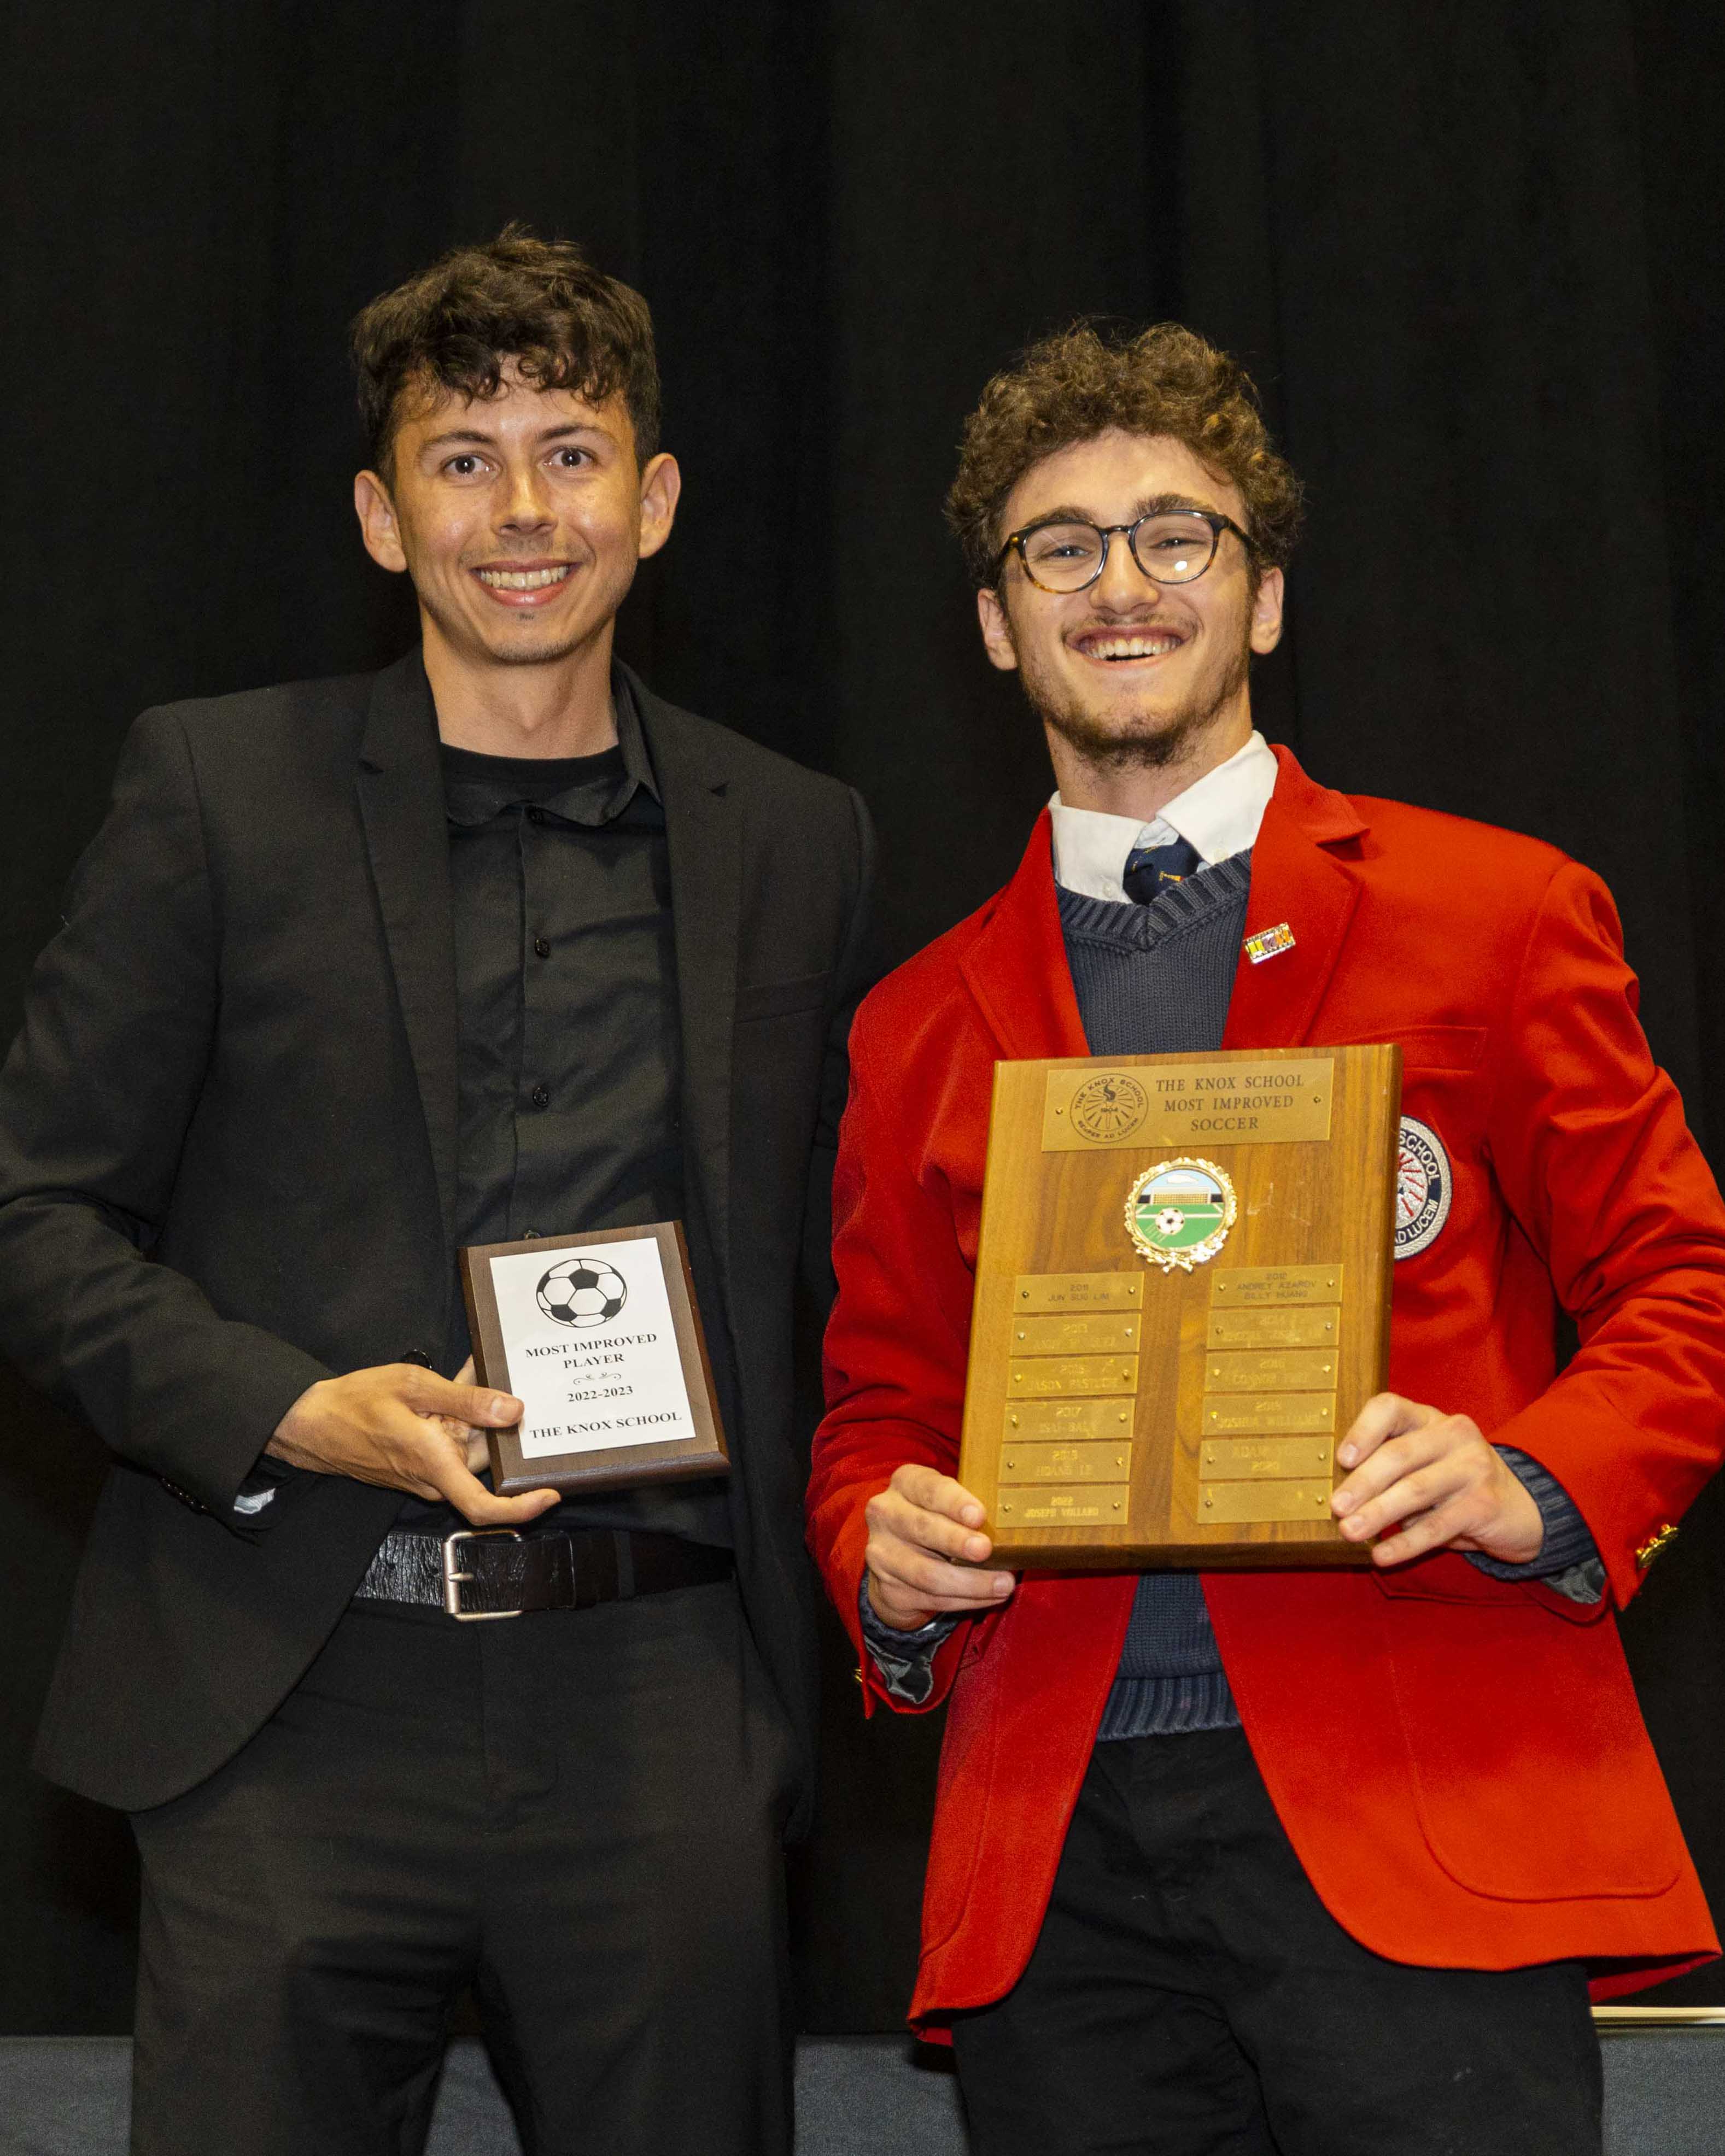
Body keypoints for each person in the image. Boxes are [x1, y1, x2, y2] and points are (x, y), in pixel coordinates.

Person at [805, 320, 1725, 2156]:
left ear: (1265, 595)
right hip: (1053, 1848)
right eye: (1058, 546)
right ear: (996, 623)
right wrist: (878, 1553)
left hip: (1418, 1810)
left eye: (1177, 535)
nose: (1119, 583)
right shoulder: (915, 1018)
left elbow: (1679, 1287)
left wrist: (1525, 1478)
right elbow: (876, 1408)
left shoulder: (1495, 911)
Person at [0, 229, 872, 2156]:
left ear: (650, 500)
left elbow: (857, 1263)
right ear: (383, 519)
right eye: (462, 462)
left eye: (569, 451)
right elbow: (32, 1217)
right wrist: (284, 1407)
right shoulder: (217, 793)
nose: (522, 511)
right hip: (296, 1680)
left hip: (659, 1689)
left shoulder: (798, 837)